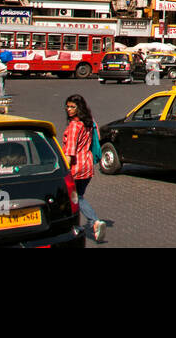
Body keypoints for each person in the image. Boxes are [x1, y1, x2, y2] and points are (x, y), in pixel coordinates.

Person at [63, 95, 107, 243]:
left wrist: (65, 171)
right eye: (67, 106)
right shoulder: (90, 122)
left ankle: (93, 221)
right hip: (88, 166)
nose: (69, 110)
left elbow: (69, 151)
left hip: (76, 167)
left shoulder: (74, 126)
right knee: (78, 197)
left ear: (78, 108)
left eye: (72, 107)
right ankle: (84, 223)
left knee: (75, 198)